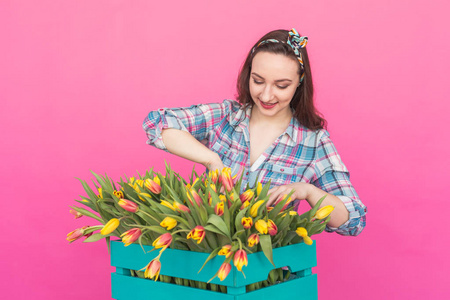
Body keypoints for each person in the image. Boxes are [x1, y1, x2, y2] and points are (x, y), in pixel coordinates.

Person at [143, 28, 367, 236]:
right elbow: (157, 123)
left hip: (266, 272)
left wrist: (307, 191)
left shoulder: (313, 142)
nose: (267, 96)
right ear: (248, 74)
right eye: (258, 81)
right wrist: (211, 159)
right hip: (205, 257)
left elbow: (353, 220)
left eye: (281, 86)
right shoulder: (226, 117)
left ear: (299, 81)